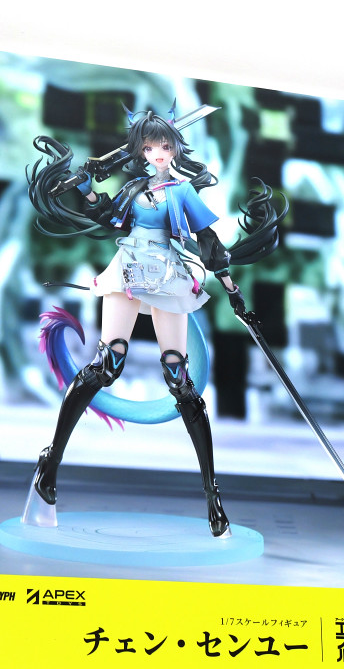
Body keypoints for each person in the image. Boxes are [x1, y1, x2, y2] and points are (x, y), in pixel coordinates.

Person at [24, 104, 283, 537]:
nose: (158, 153)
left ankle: (212, 493)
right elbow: (106, 216)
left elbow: (209, 243)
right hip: (127, 269)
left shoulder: (181, 191)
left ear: (174, 148)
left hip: (166, 273)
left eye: (164, 145)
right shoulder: (133, 188)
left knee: (179, 378)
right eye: (149, 147)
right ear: (140, 151)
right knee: (107, 364)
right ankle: (50, 463)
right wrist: (86, 187)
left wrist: (233, 291)